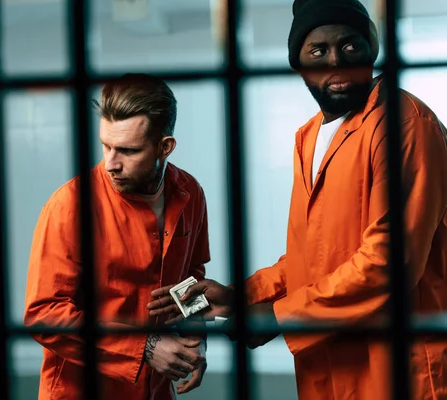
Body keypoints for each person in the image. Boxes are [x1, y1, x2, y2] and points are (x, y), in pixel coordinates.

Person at [147, 0, 447, 399]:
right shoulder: (309, 138)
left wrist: (275, 317)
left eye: (350, 45)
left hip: (397, 369)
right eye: (318, 50)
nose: (335, 60)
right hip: (329, 366)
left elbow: (390, 261)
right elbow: (313, 255)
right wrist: (243, 296)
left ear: (371, 50)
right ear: (299, 62)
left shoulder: (404, 124)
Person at [23, 73, 211, 400]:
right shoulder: (70, 204)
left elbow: (191, 277)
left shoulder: (189, 192)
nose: (111, 163)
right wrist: (146, 347)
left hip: (153, 391)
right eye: (106, 146)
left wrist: (196, 340)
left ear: (164, 147)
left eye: (127, 150)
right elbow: (44, 314)